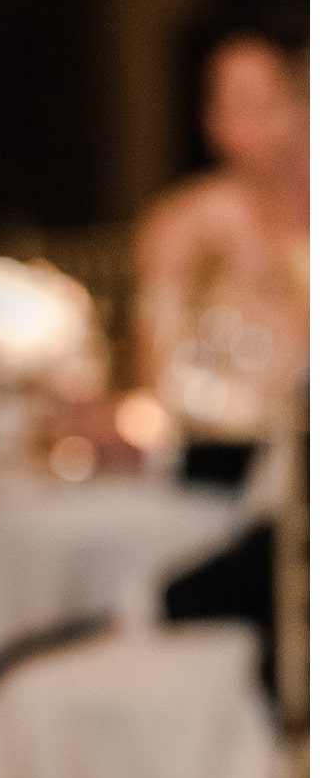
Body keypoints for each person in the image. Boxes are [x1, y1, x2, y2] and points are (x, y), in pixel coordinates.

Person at [135, 28, 308, 457]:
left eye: (276, 101)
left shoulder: (300, 219)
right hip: (224, 456)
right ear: (213, 120)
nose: (270, 122)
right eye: (246, 105)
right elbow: (159, 369)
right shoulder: (186, 221)